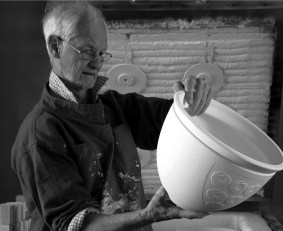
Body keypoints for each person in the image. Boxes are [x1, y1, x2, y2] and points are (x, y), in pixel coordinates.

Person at [11, 1, 213, 231]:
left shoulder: (115, 107)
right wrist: (147, 216)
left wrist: (190, 102)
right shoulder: (41, 133)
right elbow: (78, 225)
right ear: (55, 47)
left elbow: (172, 125)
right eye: (87, 51)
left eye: (101, 53)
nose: (97, 63)